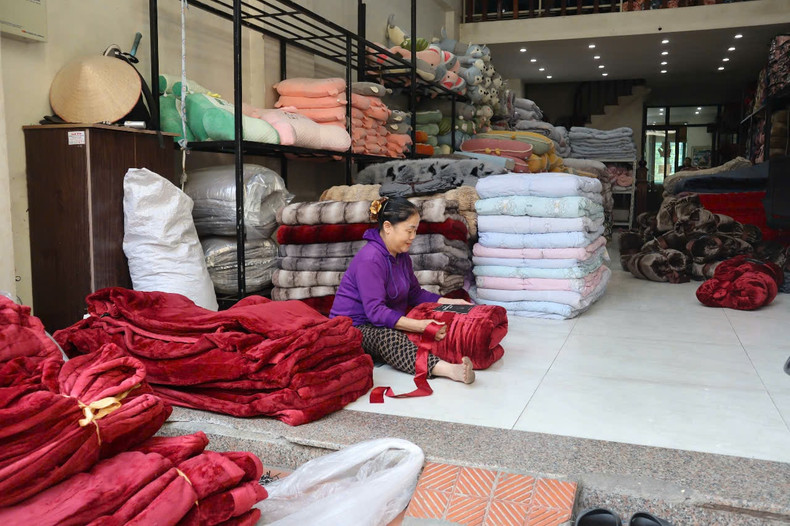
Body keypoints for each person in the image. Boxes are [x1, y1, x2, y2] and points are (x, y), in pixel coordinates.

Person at [330, 197, 475, 384]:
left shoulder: (401, 256)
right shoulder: (370, 259)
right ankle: (448, 370)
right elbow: (376, 312)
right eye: (409, 230)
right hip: (352, 328)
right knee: (389, 338)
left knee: (430, 323)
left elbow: (415, 294)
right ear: (388, 227)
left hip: (379, 323)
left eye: (415, 230)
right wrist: (422, 326)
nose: (413, 236)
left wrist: (452, 304)